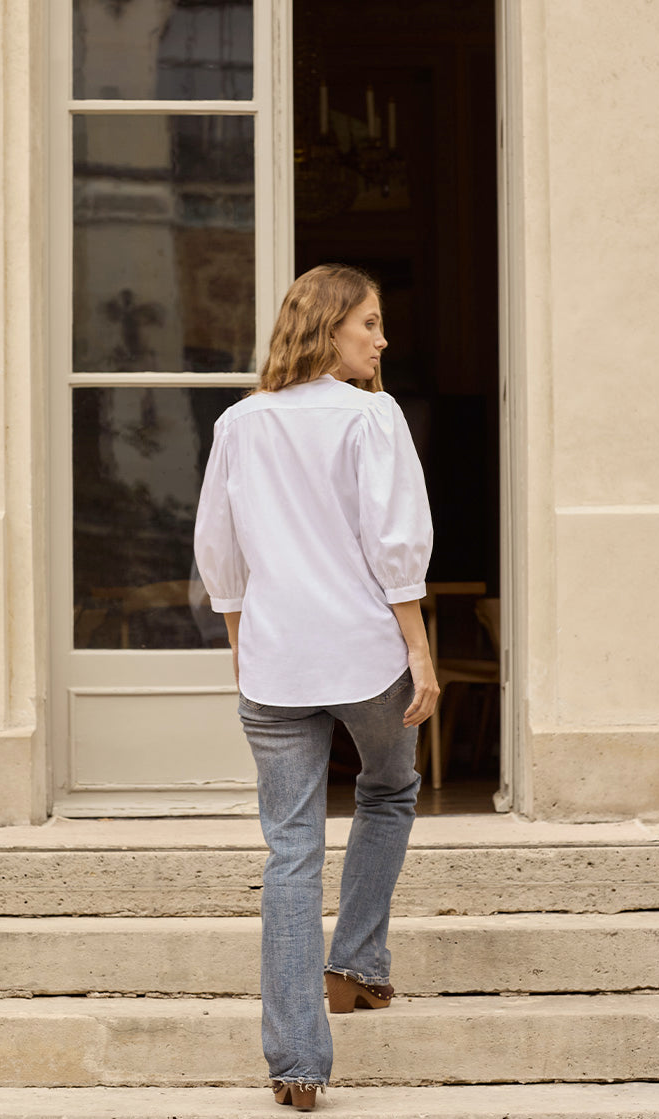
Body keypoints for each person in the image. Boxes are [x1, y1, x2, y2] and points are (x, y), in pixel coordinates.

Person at [194, 263, 438, 1111]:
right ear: (330, 326)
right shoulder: (372, 417)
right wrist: (422, 650)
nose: (381, 339)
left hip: (275, 662)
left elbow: (218, 552)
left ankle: (296, 1060)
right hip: (366, 653)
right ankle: (357, 960)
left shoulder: (237, 423)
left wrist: (241, 645)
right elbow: (395, 543)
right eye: (368, 323)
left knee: (289, 852)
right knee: (390, 789)